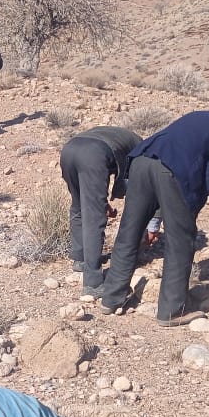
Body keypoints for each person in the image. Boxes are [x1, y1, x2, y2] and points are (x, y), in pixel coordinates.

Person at [99, 111, 209, 326]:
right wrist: (193, 205)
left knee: (129, 232)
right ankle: (171, 311)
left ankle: (111, 298)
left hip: (142, 161)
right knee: (181, 241)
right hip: (173, 170)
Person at [59, 126, 142, 294]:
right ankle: (93, 284)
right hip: (94, 154)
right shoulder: (142, 150)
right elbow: (134, 187)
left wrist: (103, 203)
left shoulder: (124, 137)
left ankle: (80, 258)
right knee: (94, 218)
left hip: (69, 150)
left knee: (79, 206)